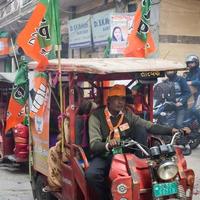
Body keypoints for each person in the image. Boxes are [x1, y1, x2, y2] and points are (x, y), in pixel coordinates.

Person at [85, 84, 189, 200]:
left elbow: (149, 126)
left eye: (123, 99)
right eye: (116, 98)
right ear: (109, 100)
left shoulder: (128, 113)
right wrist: (108, 144)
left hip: (128, 154)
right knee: (91, 175)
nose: (120, 102)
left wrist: (173, 130)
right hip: (106, 154)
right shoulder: (96, 116)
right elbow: (94, 144)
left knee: (154, 162)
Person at [184, 55, 200, 123]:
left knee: (194, 109)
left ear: (196, 63)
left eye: (191, 62)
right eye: (188, 63)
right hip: (192, 94)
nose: (190, 64)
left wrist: (192, 82)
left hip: (199, 93)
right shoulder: (189, 72)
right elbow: (185, 81)